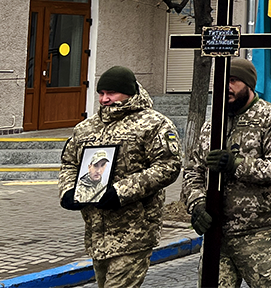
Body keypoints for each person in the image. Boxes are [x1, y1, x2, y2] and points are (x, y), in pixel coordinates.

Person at [59, 66, 181, 288]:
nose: (105, 99)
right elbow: (69, 162)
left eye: (111, 93)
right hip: (97, 232)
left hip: (134, 231)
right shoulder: (87, 127)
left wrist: (121, 191)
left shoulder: (154, 124)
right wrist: (68, 190)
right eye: (101, 93)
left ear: (129, 93)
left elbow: (168, 165)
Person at [182, 58, 271, 288]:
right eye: (222, 81)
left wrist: (237, 164)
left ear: (249, 85)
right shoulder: (212, 124)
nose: (227, 87)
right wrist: (197, 205)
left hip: (262, 233)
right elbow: (193, 171)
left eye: (233, 81)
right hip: (218, 234)